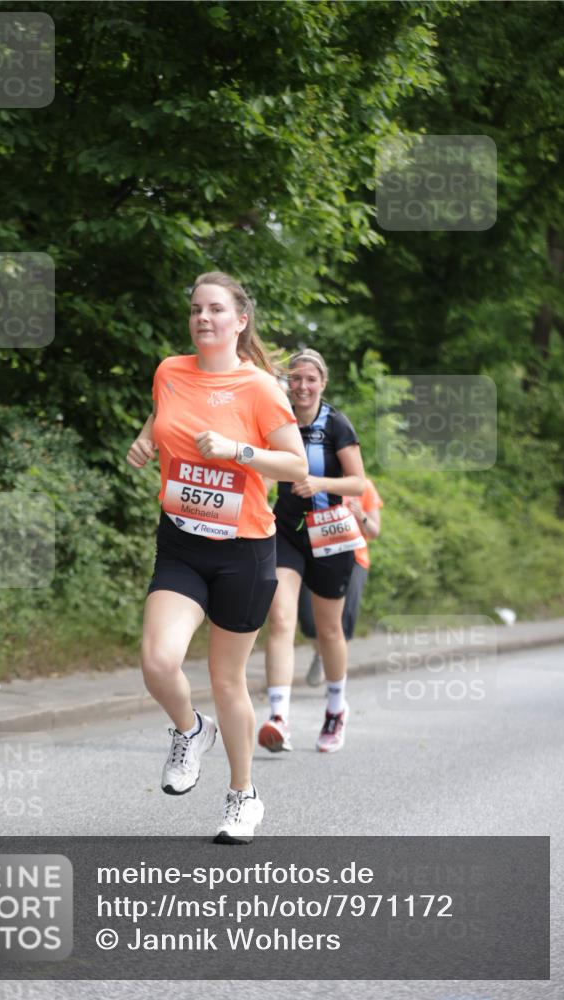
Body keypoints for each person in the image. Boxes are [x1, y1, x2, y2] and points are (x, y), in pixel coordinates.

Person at [126, 272, 307, 844]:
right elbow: (169, 410)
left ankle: (242, 796)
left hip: (245, 550)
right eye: (196, 310)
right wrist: (147, 437)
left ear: (239, 320)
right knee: (158, 661)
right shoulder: (169, 371)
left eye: (216, 310)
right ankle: (188, 730)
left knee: (227, 681)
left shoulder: (259, 387)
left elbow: (296, 465)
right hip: (182, 540)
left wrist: (238, 451)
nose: (203, 318)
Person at [258, 348, 366, 755]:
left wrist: (320, 485)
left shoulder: (336, 423)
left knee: (328, 629)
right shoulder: (276, 417)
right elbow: (266, 469)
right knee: (281, 618)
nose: (302, 386)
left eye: (310, 379)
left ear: (322, 383)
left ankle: (336, 709)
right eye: (295, 379)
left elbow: (358, 483)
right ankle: (278, 717)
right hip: (285, 531)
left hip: (330, 533)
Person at [302, 480, 383, 686]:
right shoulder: (315, 481)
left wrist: (361, 515)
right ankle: (320, 654)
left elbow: (374, 531)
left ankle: (336, 681)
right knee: (309, 620)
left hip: (354, 557)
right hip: (318, 555)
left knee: (343, 621)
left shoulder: (363, 486)